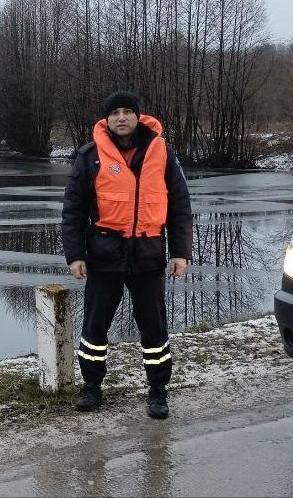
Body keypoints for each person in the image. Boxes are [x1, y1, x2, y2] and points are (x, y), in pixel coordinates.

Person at [61, 90, 192, 420]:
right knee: (94, 327)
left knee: (154, 330)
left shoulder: (162, 153)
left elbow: (179, 207)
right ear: (107, 119)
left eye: (127, 112)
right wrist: (75, 255)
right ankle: (91, 387)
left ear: (138, 116)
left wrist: (180, 252)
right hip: (104, 254)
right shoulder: (90, 156)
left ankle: (158, 391)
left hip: (148, 255)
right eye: (115, 112)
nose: (121, 117)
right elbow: (72, 211)